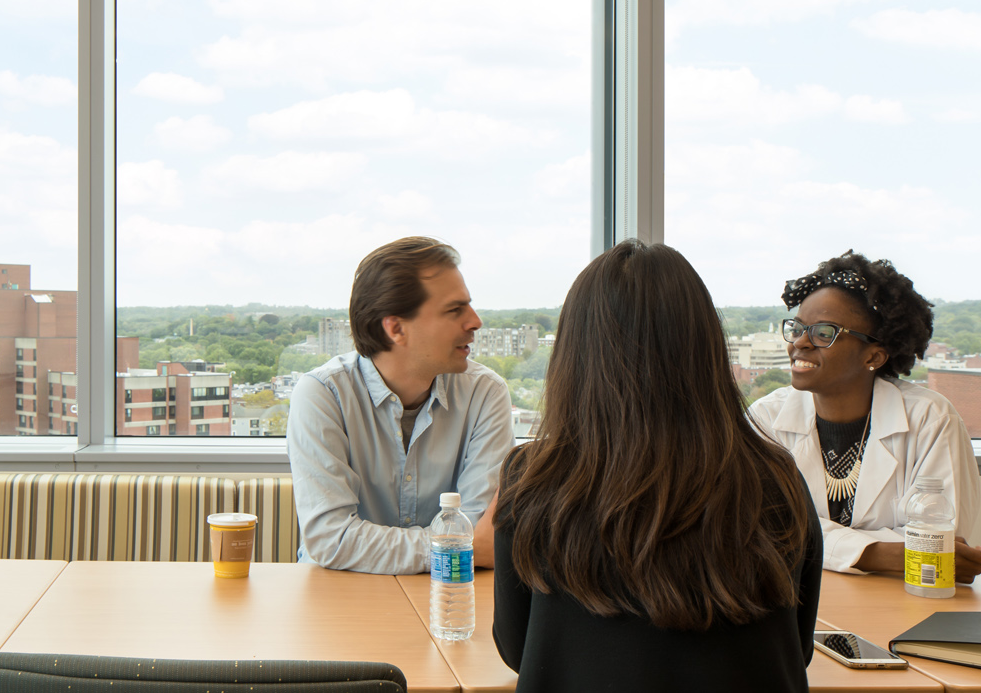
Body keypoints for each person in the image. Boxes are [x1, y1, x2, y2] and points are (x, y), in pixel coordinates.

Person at [494, 241, 821, 693]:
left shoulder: (534, 478)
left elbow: (516, 648)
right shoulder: (777, 479)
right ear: (706, 348)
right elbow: (796, 649)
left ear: (573, 355)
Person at [748, 251, 981, 579]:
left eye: (823, 333)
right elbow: (761, 530)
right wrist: (879, 553)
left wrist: (820, 543)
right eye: (798, 327)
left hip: (903, 600)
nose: (800, 344)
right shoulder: (765, 419)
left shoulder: (931, 420)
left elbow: (939, 543)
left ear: (873, 356)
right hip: (795, 601)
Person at [287, 236, 514, 574]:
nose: (475, 321)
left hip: (447, 594)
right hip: (339, 594)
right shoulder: (323, 394)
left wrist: (462, 546)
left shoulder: (486, 393)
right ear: (395, 328)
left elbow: (481, 530)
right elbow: (330, 539)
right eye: (455, 310)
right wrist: (450, 547)